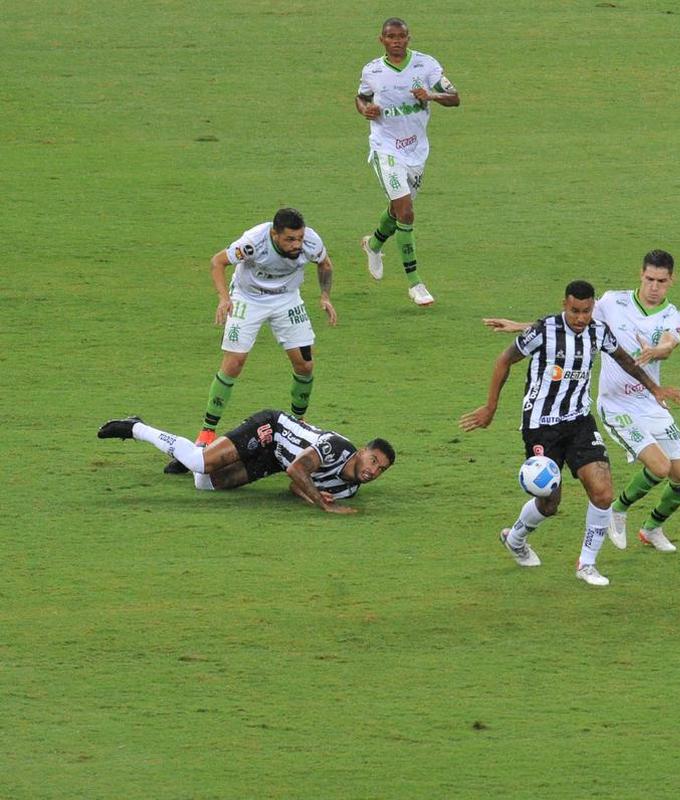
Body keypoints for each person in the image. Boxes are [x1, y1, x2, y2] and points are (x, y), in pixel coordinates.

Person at [460, 281, 680, 587]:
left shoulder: (597, 331)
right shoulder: (544, 331)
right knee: (550, 503)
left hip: (580, 421)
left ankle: (587, 563)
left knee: (603, 492)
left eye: (587, 311)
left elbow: (625, 361)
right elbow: (504, 360)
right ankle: (515, 537)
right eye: (575, 311)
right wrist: (490, 408)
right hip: (541, 425)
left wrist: (655, 388)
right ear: (564, 305)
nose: (581, 318)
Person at [164, 208, 338, 474]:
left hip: (287, 299)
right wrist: (224, 298)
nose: (297, 245)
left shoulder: (312, 243)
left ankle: (297, 426)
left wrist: (325, 296)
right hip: (248, 298)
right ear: (274, 234)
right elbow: (217, 262)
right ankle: (206, 435)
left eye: (299, 238)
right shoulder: (253, 242)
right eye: (290, 239)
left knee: (305, 365)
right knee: (234, 363)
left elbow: (325, 265)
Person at [356, 17, 461, 306]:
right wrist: (366, 109)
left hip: (416, 151)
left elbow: (455, 98)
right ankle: (415, 283)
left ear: (408, 38)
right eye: (390, 36)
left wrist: (431, 95)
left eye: (401, 36)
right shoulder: (373, 70)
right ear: (382, 40)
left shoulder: (426, 65)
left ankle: (374, 244)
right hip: (385, 148)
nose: (396, 41)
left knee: (397, 209)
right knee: (406, 211)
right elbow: (361, 98)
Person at [100, 410, 394, 513]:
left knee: (205, 484)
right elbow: (297, 470)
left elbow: (295, 485)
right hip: (270, 430)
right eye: (373, 460)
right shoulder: (336, 447)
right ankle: (136, 428)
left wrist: (312, 497)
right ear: (362, 451)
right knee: (201, 464)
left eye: (380, 469)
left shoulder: (349, 490)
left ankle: (188, 452)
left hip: (274, 460)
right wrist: (321, 504)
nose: (373, 470)